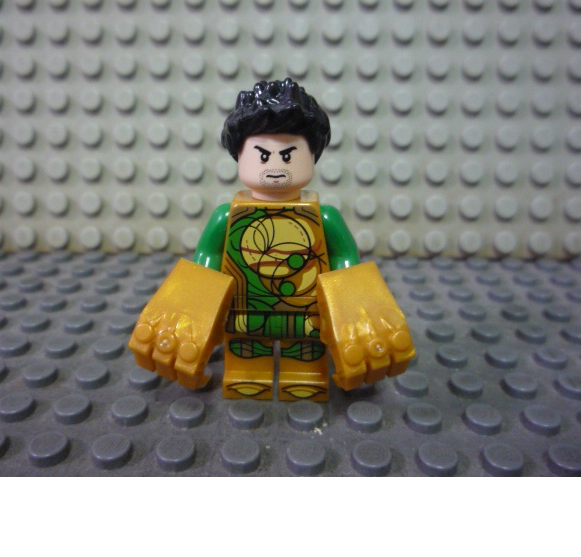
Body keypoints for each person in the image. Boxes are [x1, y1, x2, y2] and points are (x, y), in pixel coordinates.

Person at [129, 79, 415, 401]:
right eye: (263, 156)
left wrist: (356, 312)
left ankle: (304, 379)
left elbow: (345, 261)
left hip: (307, 314)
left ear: (312, 155)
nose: (276, 167)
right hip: (245, 312)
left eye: (288, 156)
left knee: (304, 359)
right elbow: (206, 261)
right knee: (246, 360)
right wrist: (189, 312)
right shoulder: (227, 216)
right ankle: (247, 378)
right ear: (240, 156)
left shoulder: (325, 217)